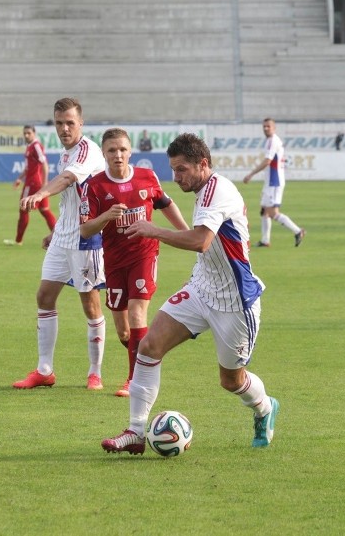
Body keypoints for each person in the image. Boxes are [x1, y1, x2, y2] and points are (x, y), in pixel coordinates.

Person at [101, 133, 279, 455]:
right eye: (173, 169)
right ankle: (136, 432)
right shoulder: (203, 191)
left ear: (203, 164)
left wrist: (153, 229)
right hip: (201, 288)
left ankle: (265, 409)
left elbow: (200, 241)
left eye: (182, 169)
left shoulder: (219, 190)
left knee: (231, 381)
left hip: (234, 302)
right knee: (149, 345)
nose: (176, 177)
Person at [80, 128, 189, 397]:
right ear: (104, 153)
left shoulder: (146, 177)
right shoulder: (94, 186)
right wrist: (106, 216)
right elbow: (85, 230)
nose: (118, 155)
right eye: (112, 150)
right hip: (115, 261)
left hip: (144, 254)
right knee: (124, 332)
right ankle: (144, 356)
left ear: (130, 151)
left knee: (138, 313)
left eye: (122, 150)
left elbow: (165, 203)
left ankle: (134, 380)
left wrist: (187, 233)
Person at [12, 98, 108, 391]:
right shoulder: (65, 154)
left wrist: (40, 193)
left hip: (86, 239)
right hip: (64, 236)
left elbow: (67, 181)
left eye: (70, 123)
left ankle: (95, 373)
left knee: (90, 305)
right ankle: (44, 370)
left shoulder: (88, 151)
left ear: (81, 123)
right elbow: (70, 200)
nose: (64, 128)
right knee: (44, 296)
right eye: (59, 123)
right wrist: (55, 233)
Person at [242, 118, 305, 248]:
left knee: (272, 212)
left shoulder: (273, 141)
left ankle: (298, 231)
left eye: (268, 126)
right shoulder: (271, 141)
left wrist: (251, 174)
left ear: (274, 128)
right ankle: (265, 241)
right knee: (264, 211)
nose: (265, 128)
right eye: (264, 126)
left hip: (274, 182)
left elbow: (267, 161)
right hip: (270, 182)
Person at [4, 125, 57, 246]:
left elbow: (44, 164)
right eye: (25, 133)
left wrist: (44, 183)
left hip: (33, 183)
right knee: (45, 210)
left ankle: (18, 241)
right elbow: (29, 167)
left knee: (23, 209)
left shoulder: (36, 146)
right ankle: (59, 237)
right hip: (34, 182)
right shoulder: (30, 147)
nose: (26, 135)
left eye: (28, 133)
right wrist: (19, 178)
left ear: (34, 133)